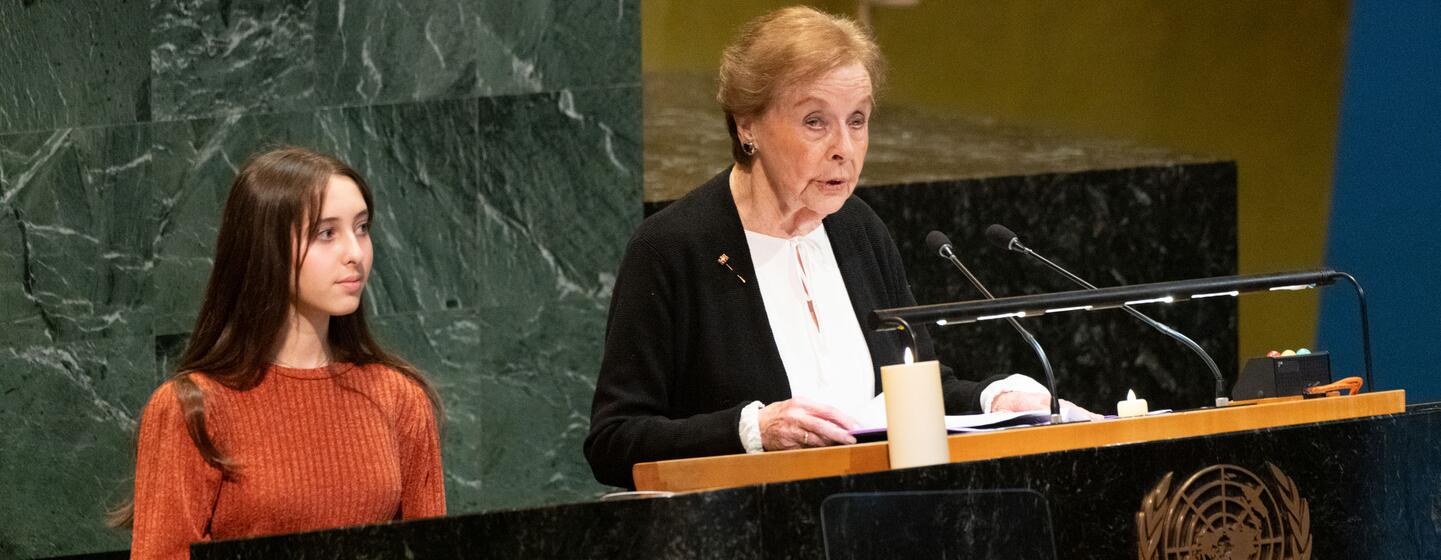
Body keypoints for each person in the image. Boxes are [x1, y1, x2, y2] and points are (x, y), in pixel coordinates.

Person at [584, 6, 1093, 489]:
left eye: (857, 120)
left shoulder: (860, 231)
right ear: (747, 125)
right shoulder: (673, 248)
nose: (843, 149)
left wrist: (995, 397)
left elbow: (910, 392)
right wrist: (750, 432)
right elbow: (614, 441)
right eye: (814, 121)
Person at [113, 147, 445, 559]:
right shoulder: (191, 409)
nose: (356, 253)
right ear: (265, 248)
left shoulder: (400, 398)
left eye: (361, 228)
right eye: (327, 233)